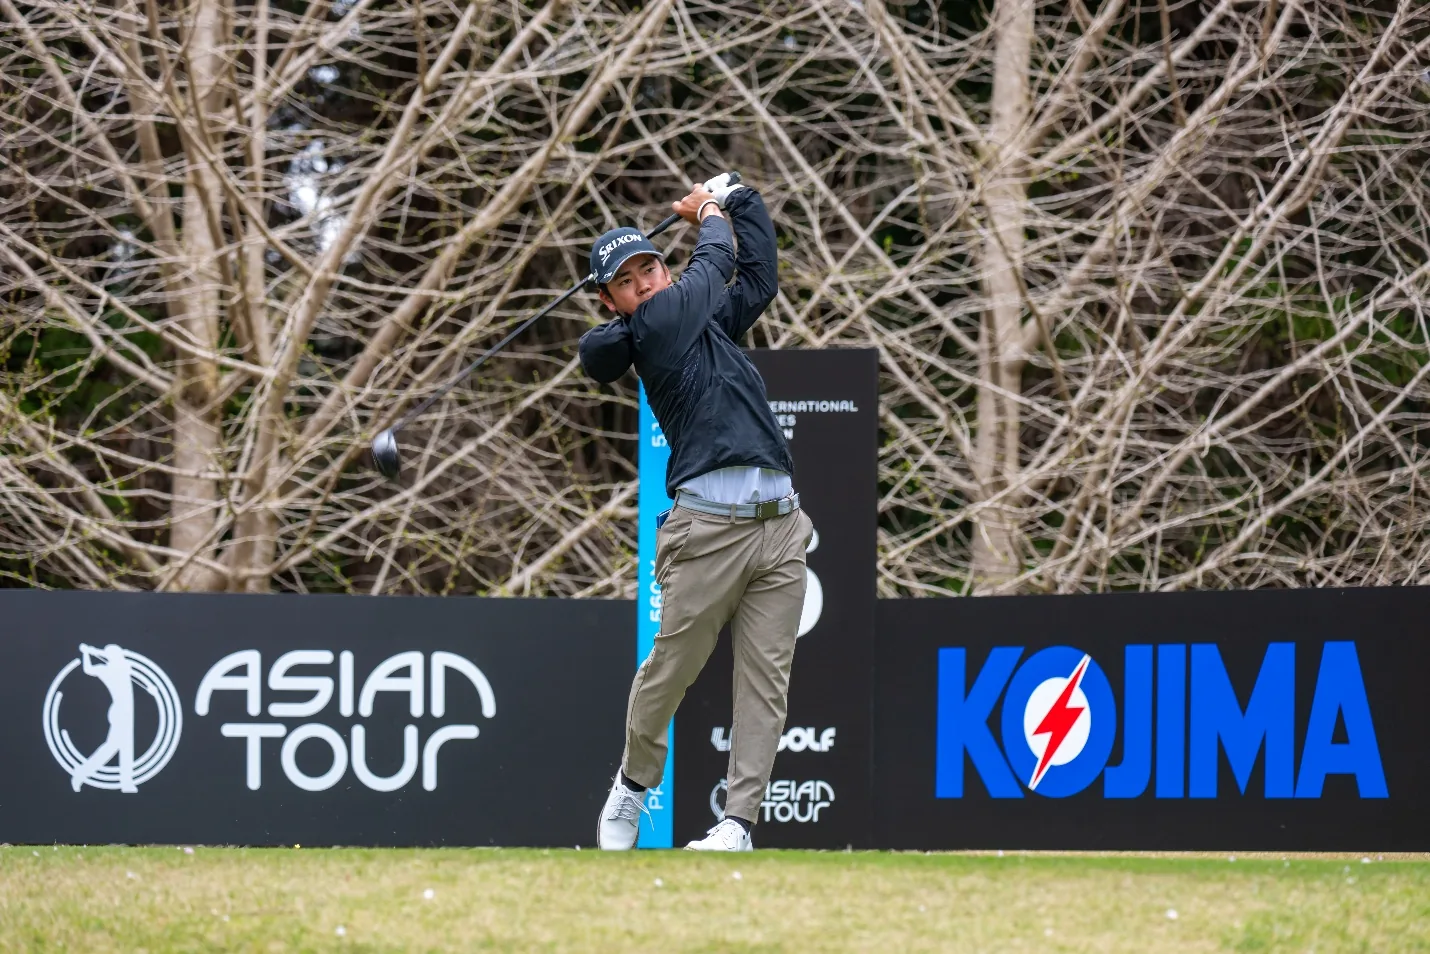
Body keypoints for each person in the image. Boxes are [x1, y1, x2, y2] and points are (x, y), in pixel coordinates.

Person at [580, 174, 812, 852]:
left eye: (649, 266)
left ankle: (737, 826)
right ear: (613, 301)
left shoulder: (698, 318)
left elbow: (757, 279)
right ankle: (632, 785)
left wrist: (740, 198)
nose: (645, 282)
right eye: (629, 279)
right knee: (671, 670)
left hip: (780, 526)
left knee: (764, 687)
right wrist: (710, 211)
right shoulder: (654, 325)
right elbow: (713, 263)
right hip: (707, 531)